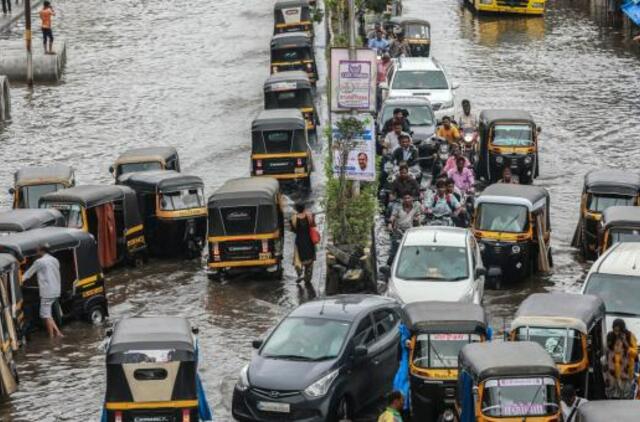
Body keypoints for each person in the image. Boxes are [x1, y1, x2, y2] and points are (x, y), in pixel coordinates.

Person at [23, 245, 63, 338]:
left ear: (41, 251)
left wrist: (19, 281)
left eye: (37, 251)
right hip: (56, 290)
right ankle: (58, 333)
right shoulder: (55, 260)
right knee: (48, 314)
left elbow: (28, 274)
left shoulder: (39, 262)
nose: (36, 253)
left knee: (45, 315)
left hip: (47, 292)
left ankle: (51, 336)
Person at [388, 194, 422, 265]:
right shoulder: (398, 207)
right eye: (405, 198)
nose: (407, 200)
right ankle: (390, 265)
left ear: (412, 199)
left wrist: (418, 220)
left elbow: (418, 217)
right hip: (398, 231)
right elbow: (393, 216)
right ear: (402, 200)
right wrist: (390, 224)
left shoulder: (415, 207)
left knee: (414, 250)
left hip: (411, 232)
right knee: (394, 251)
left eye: (408, 198)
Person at [290, 203, 316, 284]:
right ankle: (307, 277)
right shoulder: (309, 216)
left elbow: (293, 230)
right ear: (304, 208)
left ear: (297, 210)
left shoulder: (294, 218)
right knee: (309, 257)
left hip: (299, 240)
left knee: (298, 258)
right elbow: (313, 225)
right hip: (309, 240)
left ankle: (299, 273)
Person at [604, 331, 635, 399]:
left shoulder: (625, 354)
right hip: (614, 386)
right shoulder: (609, 354)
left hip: (622, 384)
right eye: (616, 344)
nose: (618, 346)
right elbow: (608, 371)